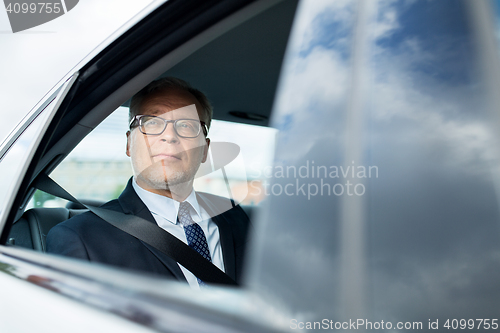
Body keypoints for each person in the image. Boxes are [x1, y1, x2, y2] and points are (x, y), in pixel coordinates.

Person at [46, 77, 250, 288]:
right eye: (152, 122)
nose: (169, 136)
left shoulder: (235, 217)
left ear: (205, 150)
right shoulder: (80, 237)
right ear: (129, 144)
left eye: (187, 125)